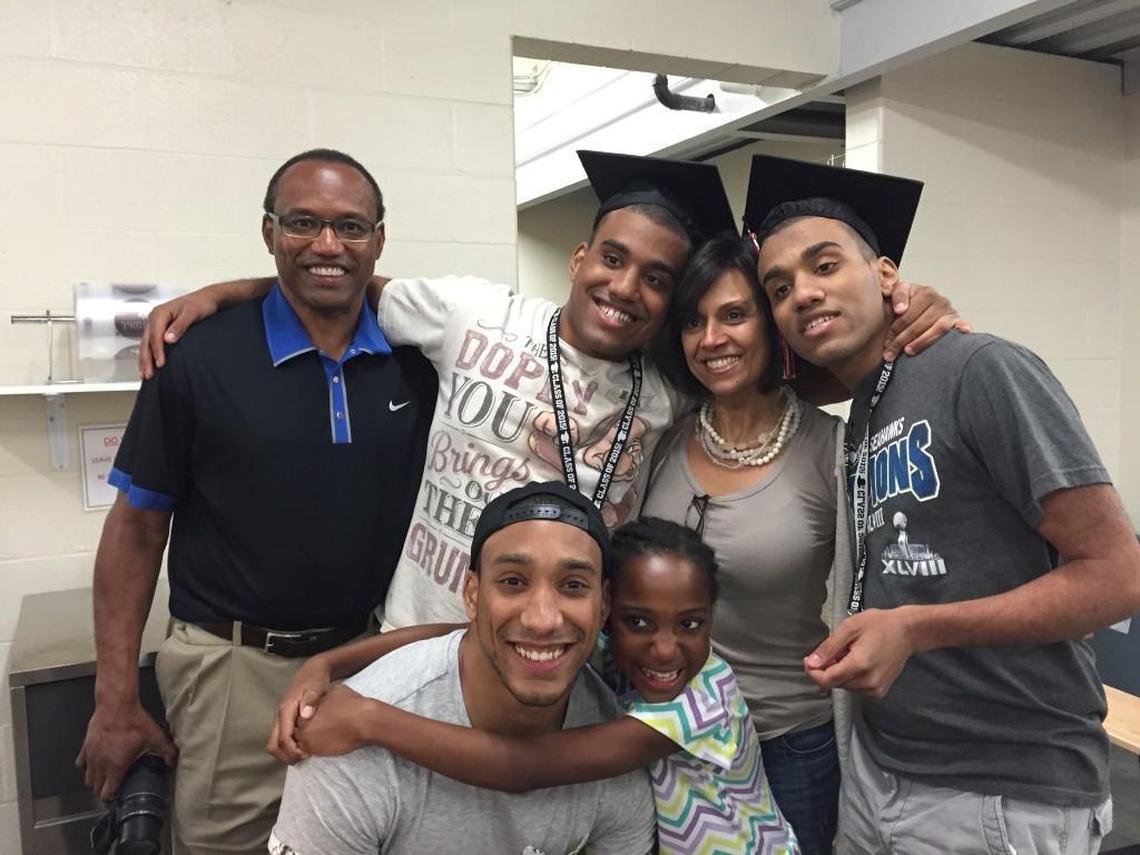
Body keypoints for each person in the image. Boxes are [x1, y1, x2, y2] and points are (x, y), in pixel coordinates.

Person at [137, 152, 961, 633]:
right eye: (611, 259)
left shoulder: (671, 391)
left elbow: (773, 363)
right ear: (578, 258)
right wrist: (231, 291)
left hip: (556, 649)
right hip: (418, 641)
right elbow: (339, 276)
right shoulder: (469, 311)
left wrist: (905, 311)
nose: (623, 286)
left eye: (656, 280)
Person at [746, 153, 1140, 853]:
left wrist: (915, 627)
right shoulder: (863, 407)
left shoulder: (980, 368)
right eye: (779, 287)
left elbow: (1119, 578)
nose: (802, 293)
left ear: (887, 275)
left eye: (825, 265)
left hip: (1002, 786)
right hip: (883, 769)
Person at [75, 148, 436, 855]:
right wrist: (114, 698)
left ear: (380, 240)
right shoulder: (196, 356)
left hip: (367, 667)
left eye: (351, 227)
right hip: (235, 674)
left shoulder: (416, 359)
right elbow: (138, 530)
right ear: (269, 231)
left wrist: (231, 285)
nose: (328, 244)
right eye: (304, 223)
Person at [269, 516, 800, 854]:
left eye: (690, 624)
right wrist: (327, 666)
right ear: (612, 615)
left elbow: (523, 766)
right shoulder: (610, 647)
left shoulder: (702, 701)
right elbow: (471, 630)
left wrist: (370, 719)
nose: (665, 648)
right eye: (640, 622)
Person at [267, 482, 657, 854]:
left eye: (572, 585)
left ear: (604, 605)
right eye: (513, 581)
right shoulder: (343, 740)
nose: (543, 619)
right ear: (472, 595)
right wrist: (328, 664)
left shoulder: (618, 741)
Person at [639, 234, 850, 854]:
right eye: (693, 322)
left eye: (734, 314)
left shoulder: (831, 451)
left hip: (788, 743)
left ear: (775, 325)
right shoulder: (666, 437)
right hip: (669, 732)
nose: (712, 339)